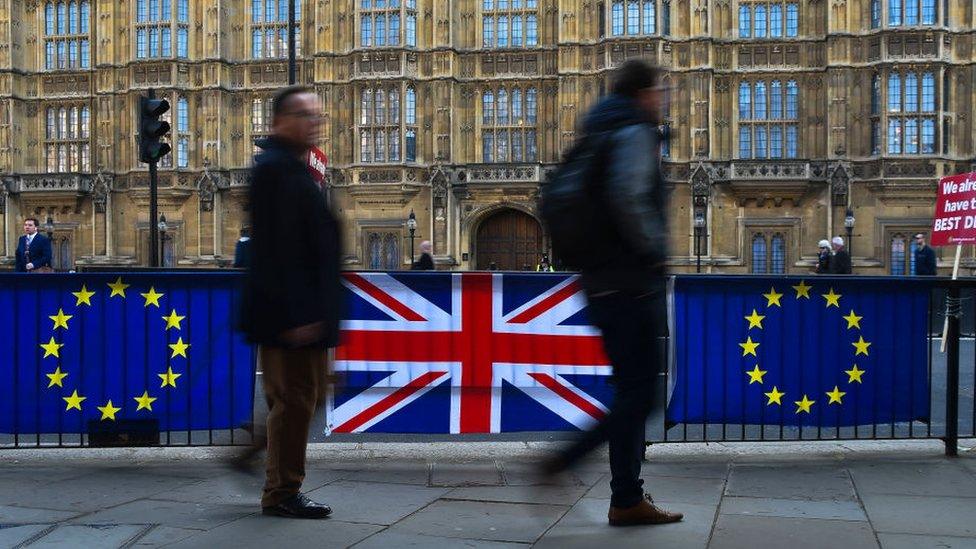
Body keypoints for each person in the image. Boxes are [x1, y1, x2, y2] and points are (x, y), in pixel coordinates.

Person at [542, 59, 682, 527]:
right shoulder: (633, 131)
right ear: (643, 93)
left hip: (599, 280)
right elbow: (628, 197)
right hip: (629, 280)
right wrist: (655, 251)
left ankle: (626, 498)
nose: (664, 99)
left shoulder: (596, 131)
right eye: (660, 90)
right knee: (640, 394)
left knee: (632, 390)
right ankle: (568, 461)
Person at [237, 85, 341, 520]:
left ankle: (257, 456)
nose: (314, 122)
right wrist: (298, 315)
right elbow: (278, 251)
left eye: (317, 115)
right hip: (291, 314)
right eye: (304, 114)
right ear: (280, 120)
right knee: (296, 400)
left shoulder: (293, 167)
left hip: (305, 310)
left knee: (307, 398)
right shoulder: (276, 171)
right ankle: (281, 491)